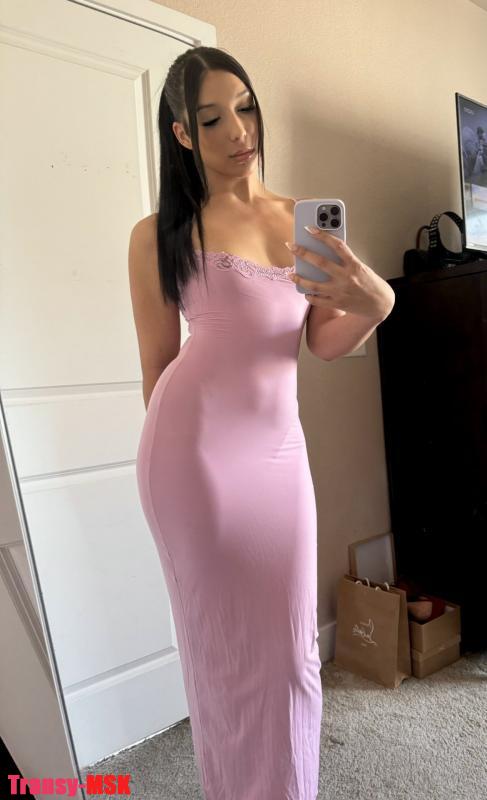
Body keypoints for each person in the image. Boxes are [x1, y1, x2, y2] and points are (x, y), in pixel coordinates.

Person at [129, 45, 324, 800]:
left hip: (281, 453)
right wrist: (185, 470)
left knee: (293, 654)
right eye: (212, 119)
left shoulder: (302, 220)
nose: (239, 130)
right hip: (195, 459)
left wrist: (378, 300)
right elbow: (156, 367)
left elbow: (325, 340)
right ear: (182, 133)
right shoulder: (159, 233)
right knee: (220, 654)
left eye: (245, 107)